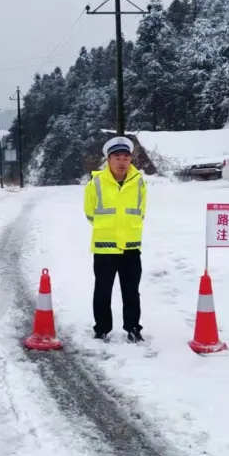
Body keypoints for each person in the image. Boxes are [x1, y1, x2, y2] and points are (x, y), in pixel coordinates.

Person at [83, 135, 147, 342]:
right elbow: (90, 213)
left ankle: (133, 327)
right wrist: (108, 228)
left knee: (131, 292)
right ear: (108, 160)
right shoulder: (96, 183)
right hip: (104, 247)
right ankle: (101, 328)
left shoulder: (139, 182)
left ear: (131, 159)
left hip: (131, 247)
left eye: (126, 157)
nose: (122, 161)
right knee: (102, 291)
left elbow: (141, 211)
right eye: (117, 157)